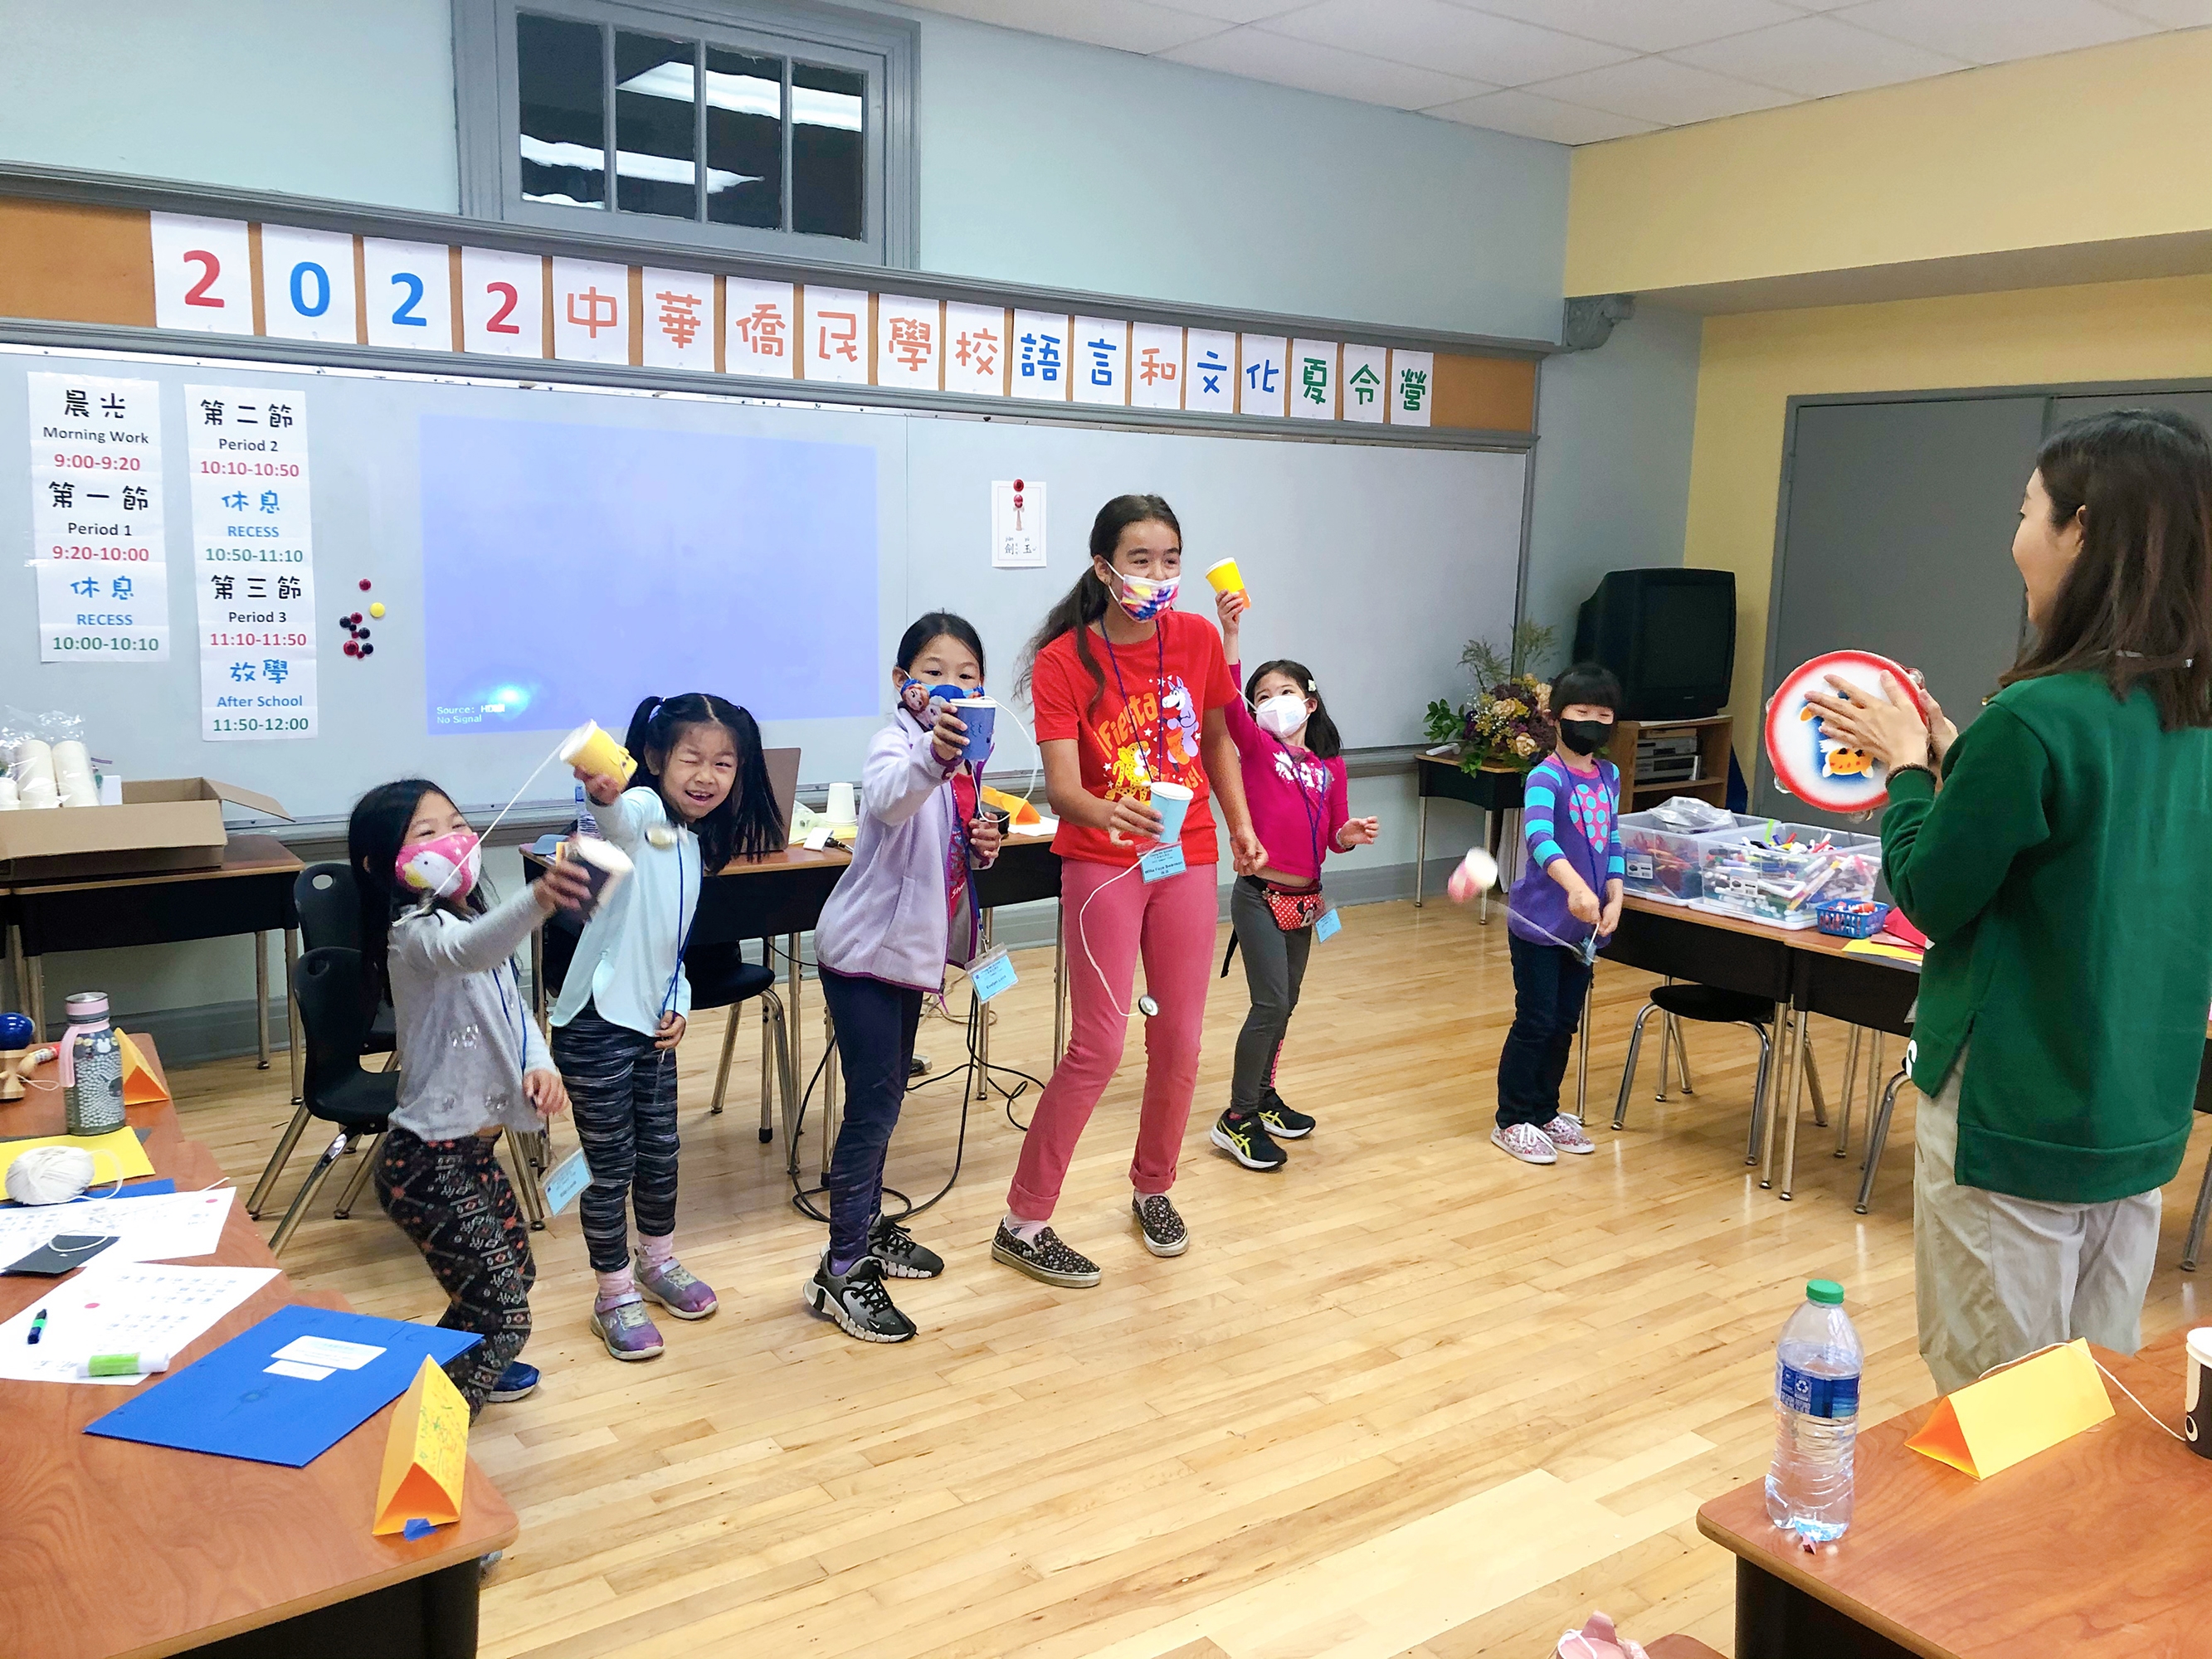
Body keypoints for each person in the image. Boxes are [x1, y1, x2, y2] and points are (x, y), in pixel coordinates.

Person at [1805, 408, 2212, 1394]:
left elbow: (1929, 891)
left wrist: (1907, 770)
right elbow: (2081, 840)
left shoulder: (2034, 714)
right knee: (2090, 1392)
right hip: (2134, 1115)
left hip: (2013, 1113)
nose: (2015, 536)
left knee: (2001, 1401)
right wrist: (1957, 753)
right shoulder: (2188, 710)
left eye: (2025, 511)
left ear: (2079, 530)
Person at [996, 494, 1266, 1286]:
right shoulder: (1063, 660)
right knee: (1100, 1046)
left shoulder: (1198, 637)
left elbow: (1217, 741)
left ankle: (1154, 1187)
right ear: (1104, 568)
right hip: (1102, 860)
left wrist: (1240, 823)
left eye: (1170, 559)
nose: (1158, 574)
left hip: (1188, 854)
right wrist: (1107, 810)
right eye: (1140, 560)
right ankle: (1023, 1221)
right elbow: (1061, 788)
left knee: (1180, 1039)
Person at [350, 778, 591, 1416]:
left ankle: (445, 1371)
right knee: (503, 1315)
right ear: (382, 864)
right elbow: (464, 951)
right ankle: (431, 1429)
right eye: (426, 832)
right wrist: (538, 899)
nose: (453, 841)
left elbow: (512, 1010)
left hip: (471, 1158)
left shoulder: (472, 926)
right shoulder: (413, 934)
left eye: (458, 825)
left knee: (512, 1276)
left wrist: (538, 1064)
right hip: (425, 1167)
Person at [558, 692, 785, 1360]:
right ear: (656, 758)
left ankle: (656, 1262)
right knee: (611, 1168)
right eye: (692, 758)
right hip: (596, 1022)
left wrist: (680, 1001)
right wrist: (604, 794)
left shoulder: (688, 839)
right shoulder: (643, 811)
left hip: (652, 1025)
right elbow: (619, 816)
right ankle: (613, 1295)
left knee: (661, 1156)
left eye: (724, 763)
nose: (707, 776)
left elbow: (670, 944)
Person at [805, 613, 1003, 1341]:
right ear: (902, 681)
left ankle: (867, 1225)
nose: (951, 685)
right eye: (934, 671)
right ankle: (841, 1267)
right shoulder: (895, 743)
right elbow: (891, 798)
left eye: (966, 675)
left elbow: (942, 851)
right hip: (862, 953)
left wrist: (981, 843)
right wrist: (935, 755)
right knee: (873, 1106)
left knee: (886, 1100)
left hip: (906, 959)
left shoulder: (968, 764)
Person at [1209, 587, 1377, 1170]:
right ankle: (1237, 1117)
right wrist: (1231, 634)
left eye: (1284, 693)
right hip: (1260, 896)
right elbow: (1227, 704)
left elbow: (1334, 837)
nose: (1272, 703)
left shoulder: (1331, 767)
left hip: (1305, 901)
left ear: (1310, 702)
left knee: (1288, 1004)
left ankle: (1263, 1095)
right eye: (1263, 696)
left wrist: (1348, 834)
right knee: (1270, 1003)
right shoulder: (1258, 748)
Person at [1493, 664, 1624, 1166]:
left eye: (1604, 715)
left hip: (1584, 930)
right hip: (1540, 926)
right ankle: (1512, 1119)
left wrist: (1615, 895)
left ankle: (1545, 1112)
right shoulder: (1545, 776)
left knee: (1565, 1022)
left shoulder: (1609, 775)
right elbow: (1540, 839)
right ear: (1556, 717)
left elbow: (1612, 839)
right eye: (1582, 712)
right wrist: (1575, 888)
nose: (1593, 723)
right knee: (1537, 1020)